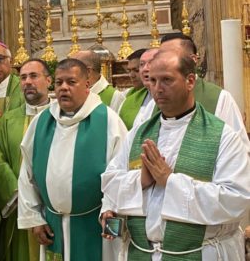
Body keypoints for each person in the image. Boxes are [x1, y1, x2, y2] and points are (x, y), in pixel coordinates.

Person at [101, 51, 250, 260]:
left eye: (167, 80)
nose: (157, 89)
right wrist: (140, 181)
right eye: (152, 80)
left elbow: (236, 199)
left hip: (199, 252)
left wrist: (169, 181)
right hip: (141, 252)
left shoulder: (224, 136)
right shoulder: (138, 133)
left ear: (190, 81)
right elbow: (110, 182)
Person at [17, 58, 126, 260]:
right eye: (59, 83)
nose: (64, 88)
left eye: (71, 82)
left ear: (87, 85)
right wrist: (34, 218)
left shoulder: (108, 120)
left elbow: (121, 175)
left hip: (95, 225)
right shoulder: (42, 121)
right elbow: (26, 174)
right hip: (52, 225)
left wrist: (111, 214)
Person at [0, 59, 53, 261]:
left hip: (55, 205)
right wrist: (18, 193)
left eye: (34, 76)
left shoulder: (62, 117)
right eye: (23, 77)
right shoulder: (8, 120)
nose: (27, 82)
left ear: (49, 80)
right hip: (20, 206)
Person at [160, 33, 246, 134]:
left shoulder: (220, 99)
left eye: (171, 57)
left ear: (193, 59)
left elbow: (237, 145)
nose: (164, 63)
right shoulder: (154, 100)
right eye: (161, 58)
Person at [118, 49, 148, 130]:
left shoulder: (158, 95)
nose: (131, 75)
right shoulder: (126, 95)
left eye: (136, 70)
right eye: (129, 70)